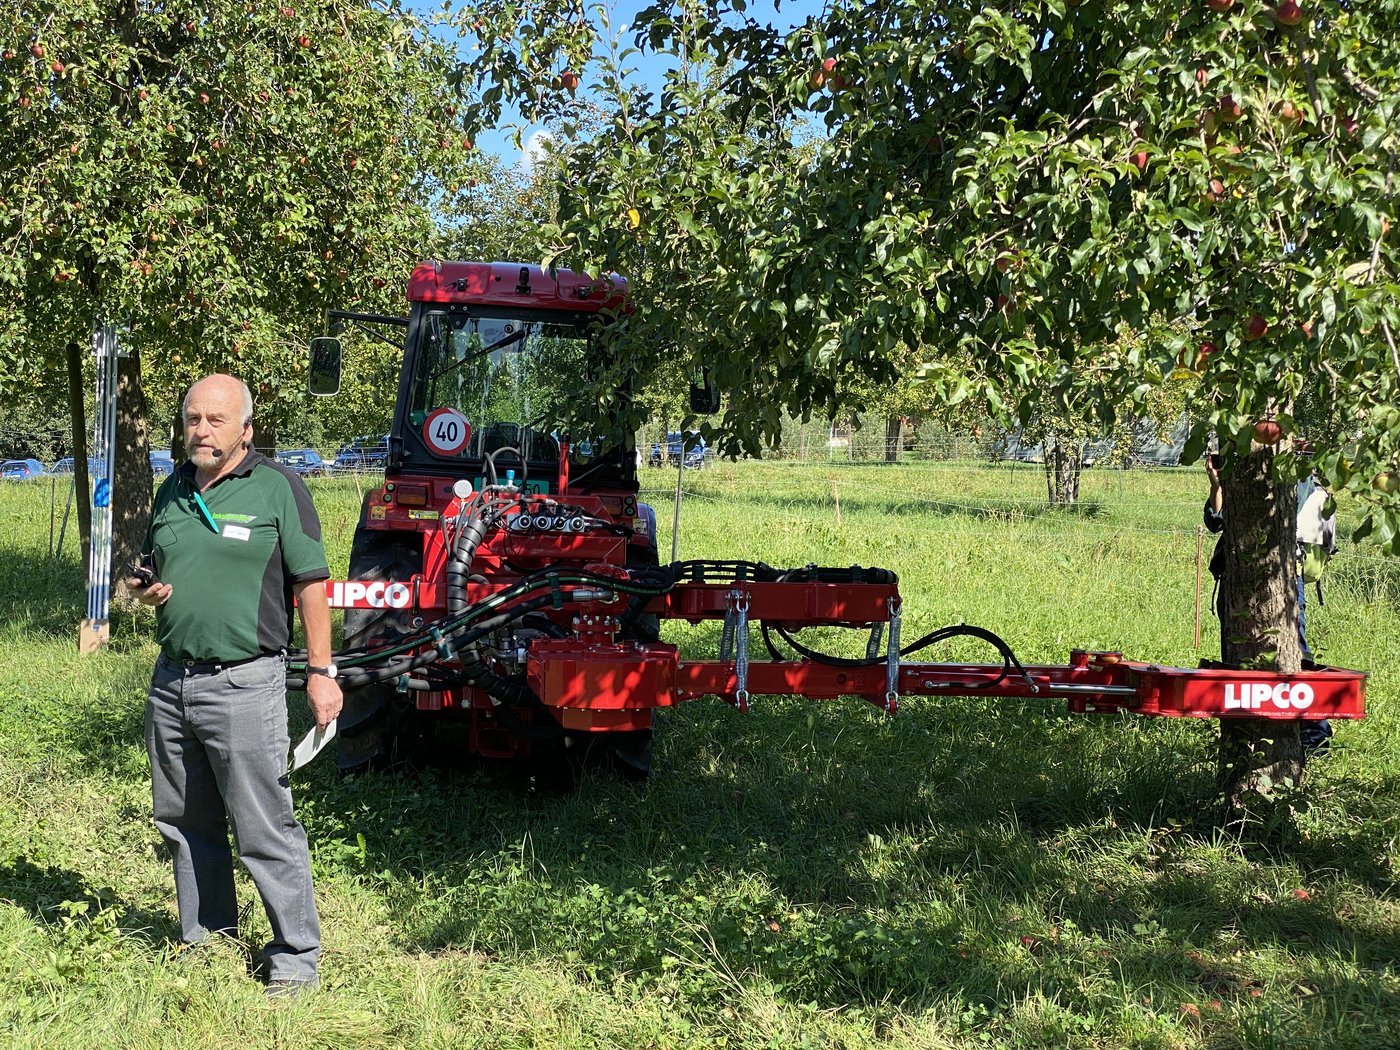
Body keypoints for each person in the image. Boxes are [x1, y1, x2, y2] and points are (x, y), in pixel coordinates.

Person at [127, 374, 342, 998]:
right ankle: (207, 936)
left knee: (263, 825)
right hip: (172, 682)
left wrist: (322, 673)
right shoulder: (170, 490)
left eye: (215, 420)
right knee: (184, 819)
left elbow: (311, 584)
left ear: (245, 428)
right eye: (192, 418)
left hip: (245, 684)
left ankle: (296, 958)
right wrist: (143, 589)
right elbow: (150, 568)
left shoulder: (279, 488)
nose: (200, 430)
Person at [1204, 451, 1334, 753]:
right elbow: (1216, 520)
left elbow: (1276, 513)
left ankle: (1315, 736)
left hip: (1283, 576)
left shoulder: (1295, 476)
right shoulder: (1237, 477)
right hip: (1236, 576)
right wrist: (1218, 484)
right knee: (1237, 649)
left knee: (1293, 651)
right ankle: (1245, 734)